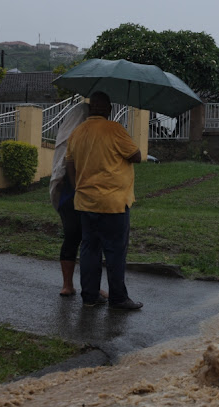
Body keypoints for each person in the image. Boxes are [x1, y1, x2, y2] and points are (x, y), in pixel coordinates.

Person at [65, 92, 144, 310]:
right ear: (108, 109)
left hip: (85, 201)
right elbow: (136, 155)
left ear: (91, 109)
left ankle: (90, 297)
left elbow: (69, 164)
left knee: (89, 250)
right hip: (113, 202)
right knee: (115, 251)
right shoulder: (114, 129)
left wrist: (76, 187)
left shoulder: (77, 133)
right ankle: (118, 299)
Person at [49, 102, 89, 297]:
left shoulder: (69, 134)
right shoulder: (72, 138)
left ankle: (80, 285)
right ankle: (69, 285)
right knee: (81, 240)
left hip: (75, 197)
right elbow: (66, 165)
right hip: (74, 197)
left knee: (78, 240)